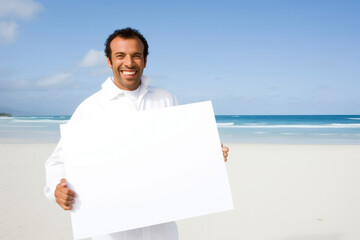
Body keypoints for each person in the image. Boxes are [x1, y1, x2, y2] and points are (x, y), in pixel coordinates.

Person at [44, 27, 229, 240]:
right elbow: (57, 162)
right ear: (109, 61)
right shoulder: (90, 108)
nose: (129, 63)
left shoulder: (165, 99)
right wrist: (57, 189)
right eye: (120, 56)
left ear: (145, 60)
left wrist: (211, 154)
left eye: (136, 56)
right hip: (110, 230)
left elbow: (182, 148)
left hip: (161, 227)